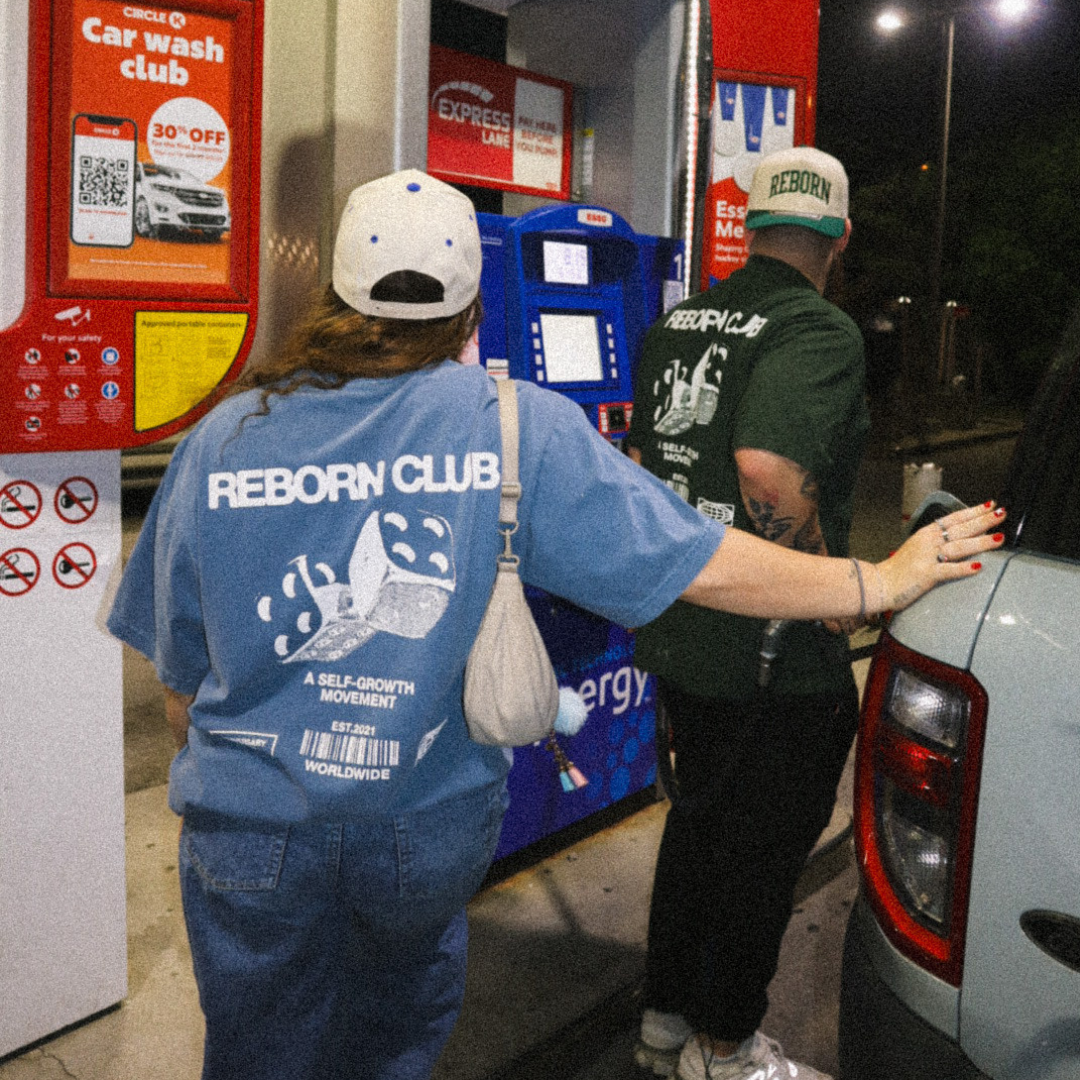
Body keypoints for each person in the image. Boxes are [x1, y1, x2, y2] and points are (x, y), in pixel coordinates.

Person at [107, 168, 1004, 1080]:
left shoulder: (223, 438)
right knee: (389, 1053)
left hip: (254, 828)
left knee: (258, 1055)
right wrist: (877, 579)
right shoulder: (513, 429)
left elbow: (181, 688)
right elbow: (707, 564)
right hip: (421, 830)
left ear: (333, 294)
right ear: (470, 313)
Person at [625, 145, 882, 1080]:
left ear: (748, 223)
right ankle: (726, 1047)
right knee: (763, 857)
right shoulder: (818, 330)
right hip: (776, 650)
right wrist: (828, 597)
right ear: (839, 237)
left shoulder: (683, 319)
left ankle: (664, 1020)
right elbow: (768, 471)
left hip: (689, 626)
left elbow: (650, 472)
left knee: (699, 830)